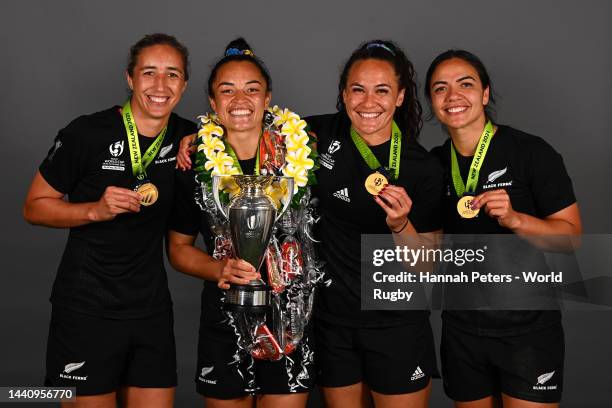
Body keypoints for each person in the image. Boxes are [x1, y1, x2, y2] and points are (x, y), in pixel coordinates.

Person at [23, 33, 195, 407]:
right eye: (149, 73)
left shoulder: (190, 138)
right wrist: (92, 210)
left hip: (150, 310)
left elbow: (250, 126)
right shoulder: (86, 133)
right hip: (86, 308)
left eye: (173, 75)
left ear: (184, 84)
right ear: (130, 79)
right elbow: (34, 206)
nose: (160, 86)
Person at [426, 49, 582, 408]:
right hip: (461, 331)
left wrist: (516, 220)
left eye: (465, 84)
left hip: (528, 332)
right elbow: (426, 257)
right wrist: (400, 222)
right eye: (440, 88)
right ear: (432, 101)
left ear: (484, 94)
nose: (453, 96)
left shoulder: (531, 152)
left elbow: (570, 238)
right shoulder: (433, 166)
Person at [169, 38, 319, 408]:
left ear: (267, 99)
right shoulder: (194, 163)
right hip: (224, 322)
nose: (240, 99)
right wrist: (218, 267)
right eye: (227, 90)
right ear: (212, 101)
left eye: (252, 89)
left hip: (291, 321)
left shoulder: (304, 151)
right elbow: (178, 250)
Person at [305, 40, 443, 408]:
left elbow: (427, 268)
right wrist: (200, 138)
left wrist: (400, 225)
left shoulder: (423, 167)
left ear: (399, 97)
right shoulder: (317, 135)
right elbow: (249, 126)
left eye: (382, 91)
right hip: (333, 321)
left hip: (396, 322)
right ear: (344, 94)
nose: (368, 103)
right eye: (358, 90)